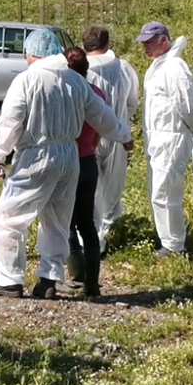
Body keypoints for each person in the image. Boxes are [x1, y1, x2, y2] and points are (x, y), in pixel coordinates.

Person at [0, 29, 133, 299]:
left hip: (36, 155)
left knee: (9, 217)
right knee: (57, 221)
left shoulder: (27, 80)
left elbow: (11, 121)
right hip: (70, 156)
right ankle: (49, 278)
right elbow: (102, 115)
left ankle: (9, 279)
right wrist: (124, 136)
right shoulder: (75, 81)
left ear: (31, 54)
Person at [137, 21, 193, 257]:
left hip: (171, 139)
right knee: (159, 193)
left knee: (167, 194)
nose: (145, 47)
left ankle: (175, 246)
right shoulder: (159, 65)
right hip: (160, 140)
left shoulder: (175, 67)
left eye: (149, 42)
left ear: (164, 41)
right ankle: (168, 240)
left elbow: (185, 104)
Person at [83, 26, 140, 254]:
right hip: (119, 135)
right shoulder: (123, 68)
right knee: (113, 185)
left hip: (88, 136)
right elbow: (133, 102)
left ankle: (92, 239)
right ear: (108, 44)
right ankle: (105, 232)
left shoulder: (80, 70)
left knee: (91, 188)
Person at [64, 47, 107, 298]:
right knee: (87, 223)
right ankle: (93, 284)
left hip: (69, 162)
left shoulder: (66, 92)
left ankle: (76, 277)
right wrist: (91, 145)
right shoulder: (97, 93)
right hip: (89, 158)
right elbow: (101, 126)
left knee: (67, 225)